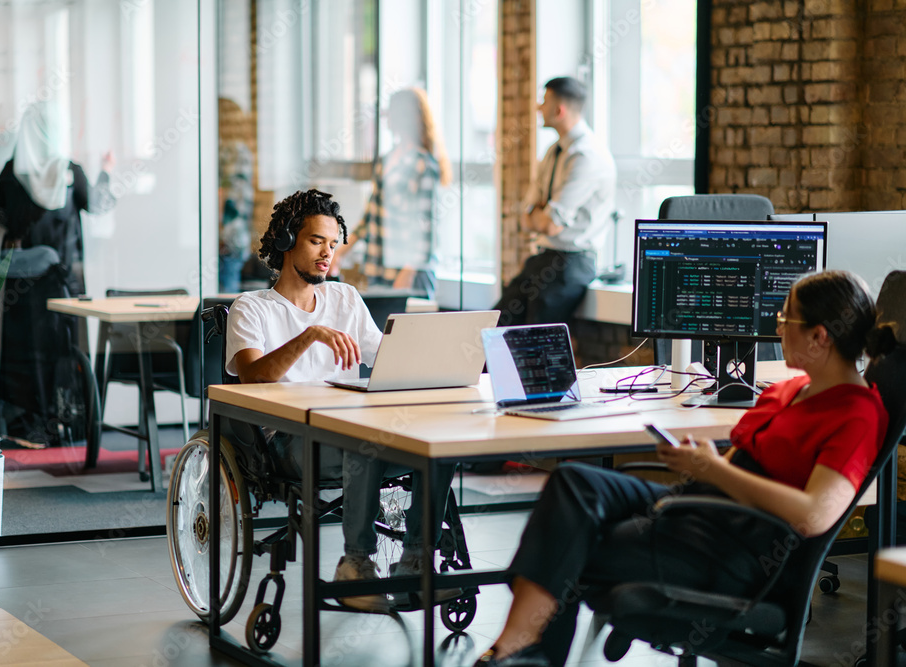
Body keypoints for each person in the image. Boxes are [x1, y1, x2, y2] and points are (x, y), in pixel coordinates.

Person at [475, 270, 890, 667]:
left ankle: (515, 650)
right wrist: (705, 464)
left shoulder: (856, 415)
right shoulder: (790, 389)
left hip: (734, 547)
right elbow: (740, 460)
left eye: (786, 318)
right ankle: (522, 649)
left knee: (569, 541)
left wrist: (714, 471)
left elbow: (813, 514)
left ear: (819, 336)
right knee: (574, 482)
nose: (778, 326)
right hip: (705, 508)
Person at [226, 188, 457, 612]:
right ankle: (356, 565)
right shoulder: (251, 307)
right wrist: (310, 335)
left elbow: (385, 356)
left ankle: (414, 563)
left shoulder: (345, 297)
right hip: (289, 442)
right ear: (285, 241)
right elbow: (252, 376)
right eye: (317, 241)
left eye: (333, 244)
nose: (327, 254)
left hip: (351, 430)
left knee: (438, 445)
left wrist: (436, 354)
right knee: (361, 443)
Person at [494, 77, 616, 327]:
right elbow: (527, 213)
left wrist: (539, 214)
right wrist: (536, 215)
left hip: (570, 262)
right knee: (494, 326)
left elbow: (550, 224)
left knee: (536, 342)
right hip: (543, 257)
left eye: (544, 101)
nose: (538, 108)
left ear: (559, 110)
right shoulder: (554, 151)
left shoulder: (586, 156)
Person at [330, 87, 451, 299]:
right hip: (379, 268)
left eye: (393, 111)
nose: (388, 117)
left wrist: (408, 271)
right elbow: (370, 216)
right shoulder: (386, 161)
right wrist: (339, 253)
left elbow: (426, 227)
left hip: (409, 273)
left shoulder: (423, 164)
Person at [0, 101, 116, 296]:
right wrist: (105, 172)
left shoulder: (11, 172)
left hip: (22, 273)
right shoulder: (69, 171)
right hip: (63, 271)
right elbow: (96, 204)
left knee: (26, 325)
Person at [217, 97, 255, 293]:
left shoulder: (230, 152)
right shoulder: (242, 151)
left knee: (221, 305)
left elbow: (225, 196)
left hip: (227, 239)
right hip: (237, 239)